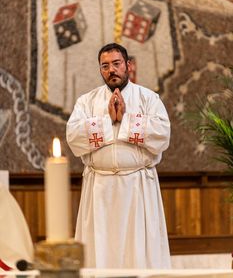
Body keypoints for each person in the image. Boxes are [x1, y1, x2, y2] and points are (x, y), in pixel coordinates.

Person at [66, 43, 171, 269]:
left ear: (128, 65)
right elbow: (73, 137)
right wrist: (107, 121)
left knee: (138, 255)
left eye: (116, 64)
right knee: (100, 252)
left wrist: (126, 120)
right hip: (99, 188)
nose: (111, 70)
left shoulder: (148, 98)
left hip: (138, 187)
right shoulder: (87, 101)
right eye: (105, 66)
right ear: (100, 70)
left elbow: (162, 134)